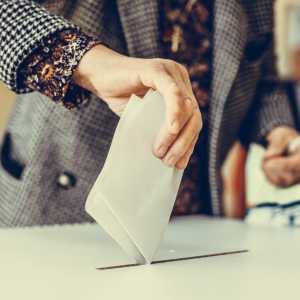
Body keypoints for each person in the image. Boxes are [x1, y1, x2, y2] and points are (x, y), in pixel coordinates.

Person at [0, 0, 298, 227]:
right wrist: (89, 63)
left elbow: (261, 77)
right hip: (58, 206)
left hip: (190, 218)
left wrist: (279, 130)